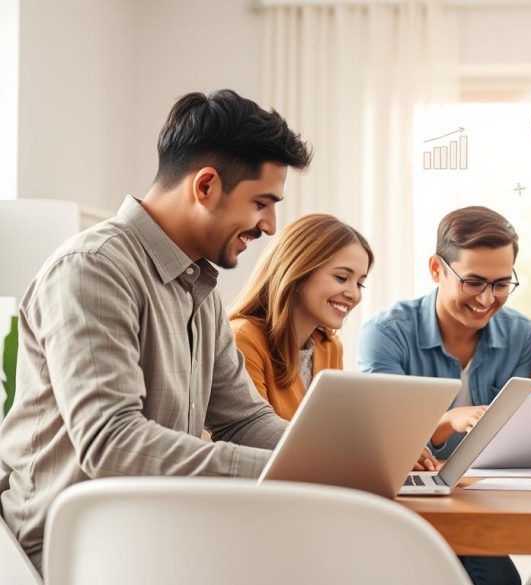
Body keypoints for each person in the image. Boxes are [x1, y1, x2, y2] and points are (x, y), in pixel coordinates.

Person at [0, 89, 311, 572]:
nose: (270, 225)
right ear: (205, 186)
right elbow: (112, 442)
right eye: (262, 203)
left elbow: (244, 420)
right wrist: (291, 473)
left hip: (152, 535)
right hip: (71, 551)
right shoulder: (94, 270)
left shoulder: (197, 286)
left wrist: (330, 457)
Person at [359, 205, 531, 585]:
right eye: (474, 282)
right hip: (405, 508)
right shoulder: (387, 334)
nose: (487, 299)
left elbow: (514, 435)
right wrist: (447, 422)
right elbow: (385, 446)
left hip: (479, 503)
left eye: (501, 283)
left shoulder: (520, 333)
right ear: (437, 269)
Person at [230, 214, 373, 420]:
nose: (354, 294)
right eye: (342, 278)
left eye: (360, 283)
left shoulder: (329, 346)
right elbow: (251, 435)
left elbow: (333, 430)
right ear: (298, 271)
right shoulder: (243, 339)